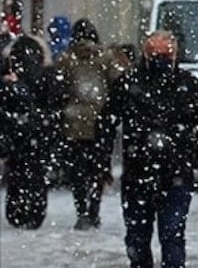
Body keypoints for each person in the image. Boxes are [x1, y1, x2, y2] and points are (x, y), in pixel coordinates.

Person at [99, 31, 198, 268]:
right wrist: (101, 163)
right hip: (141, 174)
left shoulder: (187, 86)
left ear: (175, 55)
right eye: (156, 54)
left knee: (170, 236)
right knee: (140, 238)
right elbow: (106, 123)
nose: (162, 60)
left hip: (173, 175)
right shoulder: (130, 84)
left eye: (166, 54)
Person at [52, 19, 123, 230]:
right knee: (98, 169)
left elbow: (58, 87)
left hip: (73, 123)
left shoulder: (66, 58)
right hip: (100, 122)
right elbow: (118, 84)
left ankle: (81, 209)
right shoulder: (106, 58)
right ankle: (94, 209)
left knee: (77, 171)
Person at [1, 35, 59, 229]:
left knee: (17, 170)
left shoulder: (12, 76)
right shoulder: (46, 74)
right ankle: (33, 212)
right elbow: (54, 99)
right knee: (36, 172)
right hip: (38, 131)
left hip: (18, 130)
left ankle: (17, 211)